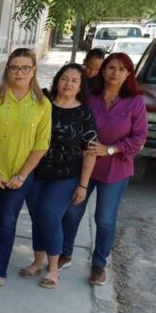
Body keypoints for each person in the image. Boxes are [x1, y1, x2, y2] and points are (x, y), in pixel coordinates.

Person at [60, 52, 148, 286]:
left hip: (115, 169)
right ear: (103, 70)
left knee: (105, 219)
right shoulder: (91, 95)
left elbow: (139, 138)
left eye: (121, 69)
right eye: (111, 67)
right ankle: (64, 253)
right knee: (71, 211)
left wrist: (109, 149)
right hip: (83, 166)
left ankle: (99, 265)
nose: (115, 72)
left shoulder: (135, 101)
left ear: (128, 73)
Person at [0, 48, 51, 287]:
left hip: (20, 175)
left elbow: (41, 144)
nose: (20, 72)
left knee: (7, 221)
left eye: (25, 67)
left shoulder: (42, 104)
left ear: (33, 70)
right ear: (8, 70)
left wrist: (22, 175)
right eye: (15, 67)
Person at [20, 64, 97, 288]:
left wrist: (83, 186)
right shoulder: (43, 104)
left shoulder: (84, 113)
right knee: (37, 217)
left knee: (50, 216)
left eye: (74, 80)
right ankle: (37, 261)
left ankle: (54, 269)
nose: (68, 84)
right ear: (57, 80)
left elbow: (90, 152)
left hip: (66, 175)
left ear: (81, 86)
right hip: (36, 171)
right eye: (65, 78)